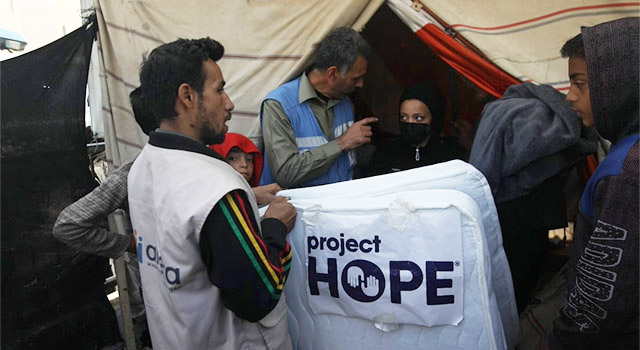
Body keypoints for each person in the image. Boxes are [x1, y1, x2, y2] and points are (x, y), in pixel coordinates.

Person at [128, 37, 297, 350]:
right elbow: (259, 295)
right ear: (187, 96)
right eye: (219, 89)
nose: (229, 103)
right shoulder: (216, 187)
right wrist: (275, 225)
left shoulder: (145, 164)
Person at [550, 17, 639, 349]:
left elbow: (601, 299)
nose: (570, 97)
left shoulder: (627, 175)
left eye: (580, 84)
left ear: (620, 84)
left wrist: (561, 340)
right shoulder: (628, 150)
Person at [53, 86, 156, 349]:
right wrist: (128, 245)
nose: (227, 105)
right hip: (160, 290)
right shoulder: (133, 173)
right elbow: (69, 225)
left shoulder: (203, 166)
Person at [260, 27, 378, 188]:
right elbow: (285, 173)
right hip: (296, 209)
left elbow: (347, 162)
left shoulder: (346, 102)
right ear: (332, 74)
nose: (360, 84)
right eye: (356, 78)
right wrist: (342, 143)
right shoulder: (279, 104)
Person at [367, 82, 467, 176]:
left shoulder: (450, 155)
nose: (410, 123)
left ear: (434, 119)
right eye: (404, 117)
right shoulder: (385, 153)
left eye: (418, 118)